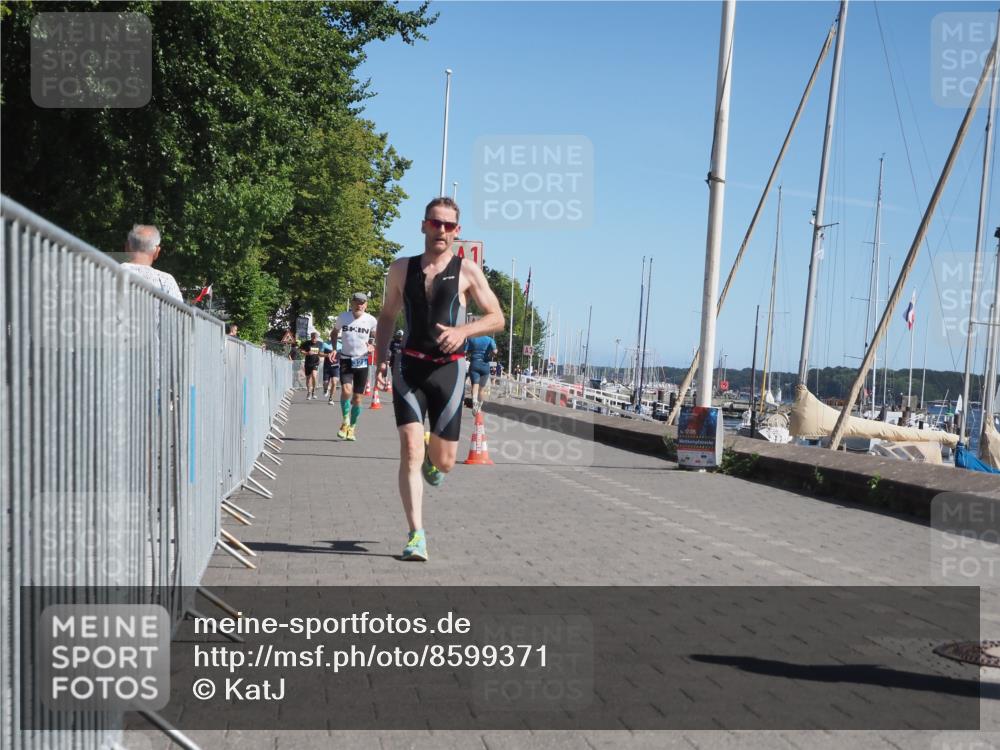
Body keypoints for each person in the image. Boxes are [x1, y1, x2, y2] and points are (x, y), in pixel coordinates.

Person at [374, 197, 504, 562]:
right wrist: (381, 359)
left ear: (457, 232)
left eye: (449, 226)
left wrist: (465, 331)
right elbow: (387, 317)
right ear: (423, 225)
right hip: (409, 367)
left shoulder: (468, 271)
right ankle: (416, 534)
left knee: (444, 464)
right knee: (410, 449)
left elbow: (496, 317)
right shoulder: (401, 269)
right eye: (436, 223)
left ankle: (436, 454)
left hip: (449, 370)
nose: (441, 231)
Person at [331, 292, 378, 441]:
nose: (360, 305)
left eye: (363, 303)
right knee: (346, 390)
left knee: (357, 398)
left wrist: (373, 345)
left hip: (362, 361)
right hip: (346, 359)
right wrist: (333, 348)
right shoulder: (343, 317)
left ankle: (352, 427)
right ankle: (345, 421)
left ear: (366, 305)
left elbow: (377, 335)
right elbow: (334, 332)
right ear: (352, 303)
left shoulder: (371, 320)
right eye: (357, 302)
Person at [119, 225, 183, 301]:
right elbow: (176, 311)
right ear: (156, 251)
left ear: (126, 247)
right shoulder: (166, 280)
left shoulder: (109, 271)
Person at [464, 334, 496, 412]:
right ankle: (479, 407)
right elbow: (495, 351)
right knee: (481, 389)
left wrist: (469, 355)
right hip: (485, 365)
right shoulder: (490, 339)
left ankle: (474, 401)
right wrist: (489, 356)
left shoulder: (471, 338)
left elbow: (465, 351)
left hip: (474, 363)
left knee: (475, 384)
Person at [300, 331, 323, 399]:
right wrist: (307, 353)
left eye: (315, 338)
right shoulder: (306, 343)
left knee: (314, 376)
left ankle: (313, 392)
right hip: (308, 363)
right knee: (308, 378)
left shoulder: (320, 344)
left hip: (315, 362)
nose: (314, 339)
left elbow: (320, 352)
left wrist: (325, 355)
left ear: (317, 338)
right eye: (313, 338)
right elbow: (301, 350)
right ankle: (309, 392)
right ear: (311, 337)